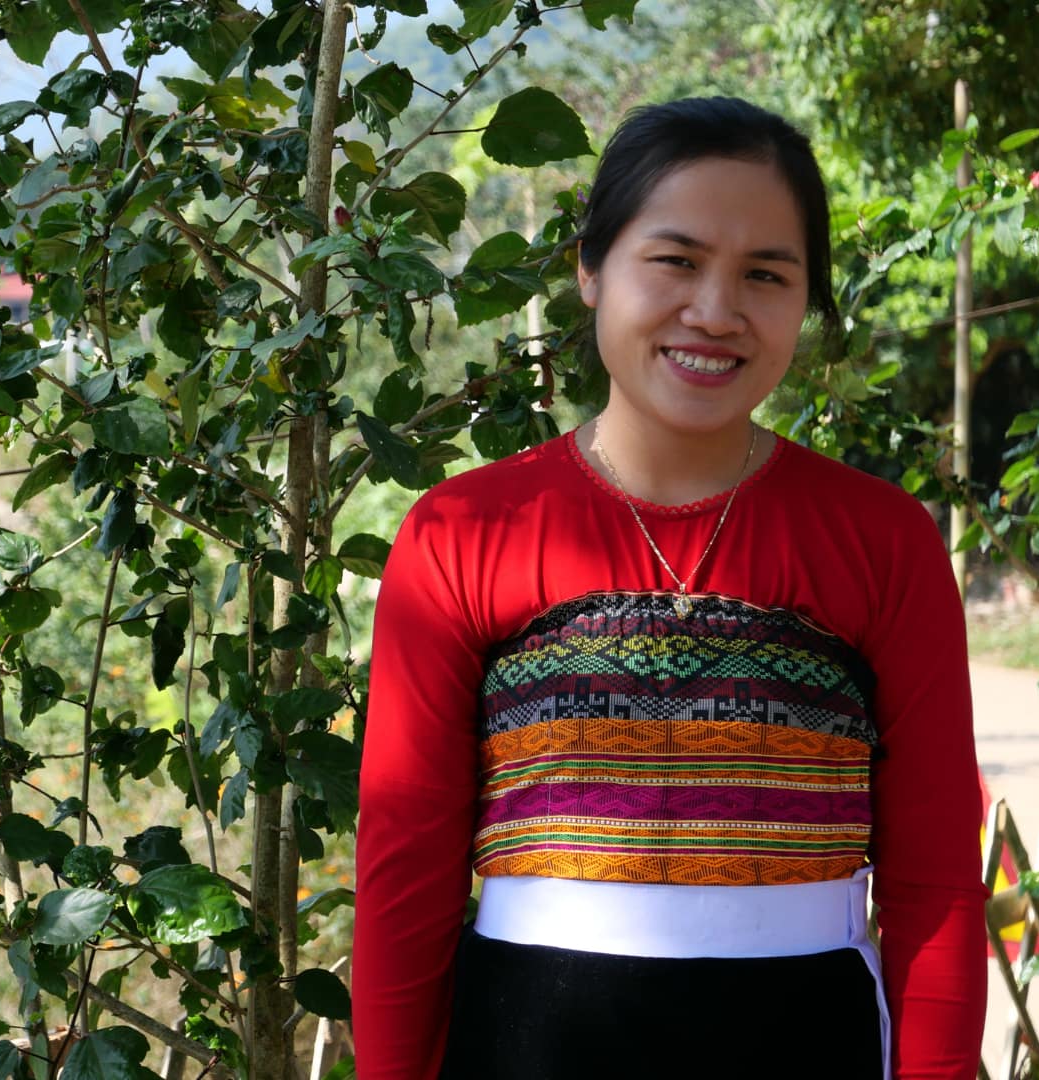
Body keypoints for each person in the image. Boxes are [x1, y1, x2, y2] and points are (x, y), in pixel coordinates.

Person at [352, 97, 987, 1079]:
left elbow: (936, 872)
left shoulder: (880, 542)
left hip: (808, 1041)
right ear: (591, 269)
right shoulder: (461, 538)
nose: (716, 312)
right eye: (676, 260)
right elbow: (406, 864)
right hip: (526, 1044)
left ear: (808, 300)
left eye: (766, 275)